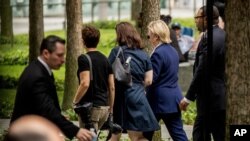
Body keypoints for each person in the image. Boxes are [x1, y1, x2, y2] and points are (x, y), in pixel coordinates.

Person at [10, 35, 94, 141]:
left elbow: (46, 105)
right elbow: (46, 109)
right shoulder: (37, 75)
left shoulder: (41, 70)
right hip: (25, 135)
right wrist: (75, 130)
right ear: (46, 53)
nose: (63, 60)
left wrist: (60, 117)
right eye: (59, 55)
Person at [179, 6, 226, 141]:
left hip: (211, 99)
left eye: (197, 18)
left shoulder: (210, 38)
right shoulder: (222, 35)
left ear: (206, 19)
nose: (195, 22)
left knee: (199, 135)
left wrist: (188, 97)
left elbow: (202, 69)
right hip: (217, 98)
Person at [108, 22, 160, 141]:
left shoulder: (116, 51)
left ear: (120, 35)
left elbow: (108, 73)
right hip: (138, 96)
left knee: (115, 133)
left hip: (121, 97)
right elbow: (149, 80)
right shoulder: (143, 54)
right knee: (137, 136)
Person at [144, 20, 188, 141]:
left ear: (156, 37)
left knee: (144, 135)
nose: (148, 39)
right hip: (173, 99)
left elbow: (153, 78)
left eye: (149, 36)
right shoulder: (173, 51)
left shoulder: (157, 53)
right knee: (179, 134)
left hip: (158, 101)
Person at [73, 25, 115, 131]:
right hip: (104, 109)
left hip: (90, 110)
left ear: (83, 41)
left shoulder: (83, 59)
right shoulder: (105, 59)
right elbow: (112, 87)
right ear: (98, 40)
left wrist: (75, 101)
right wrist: (110, 109)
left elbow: (85, 83)